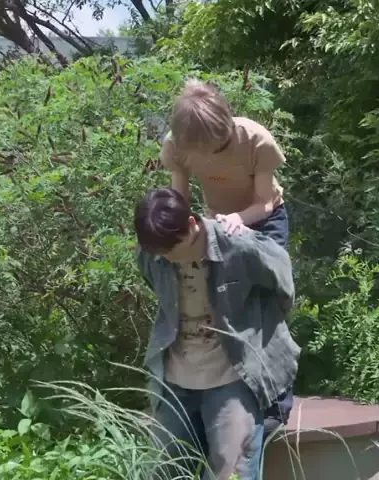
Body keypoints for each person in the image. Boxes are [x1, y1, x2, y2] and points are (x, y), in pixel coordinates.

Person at [134, 188, 300, 480]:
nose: (170, 259)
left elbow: (283, 286)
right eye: (162, 254)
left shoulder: (239, 245)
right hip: (175, 375)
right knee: (166, 471)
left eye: (175, 250)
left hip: (233, 374)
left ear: (191, 224)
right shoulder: (152, 254)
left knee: (231, 471)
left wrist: (256, 325)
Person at [160, 79, 291, 430]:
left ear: (226, 125)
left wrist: (238, 219)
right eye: (199, 152)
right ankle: (228, 397)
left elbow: (265, 203)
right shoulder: (177, 143)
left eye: (215, 149)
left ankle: (276, 404)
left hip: (264, 221)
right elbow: (179, 200)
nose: (206, 158)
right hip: (218, 224)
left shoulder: (256, 140)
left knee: (266, 305)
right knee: (226, 305)